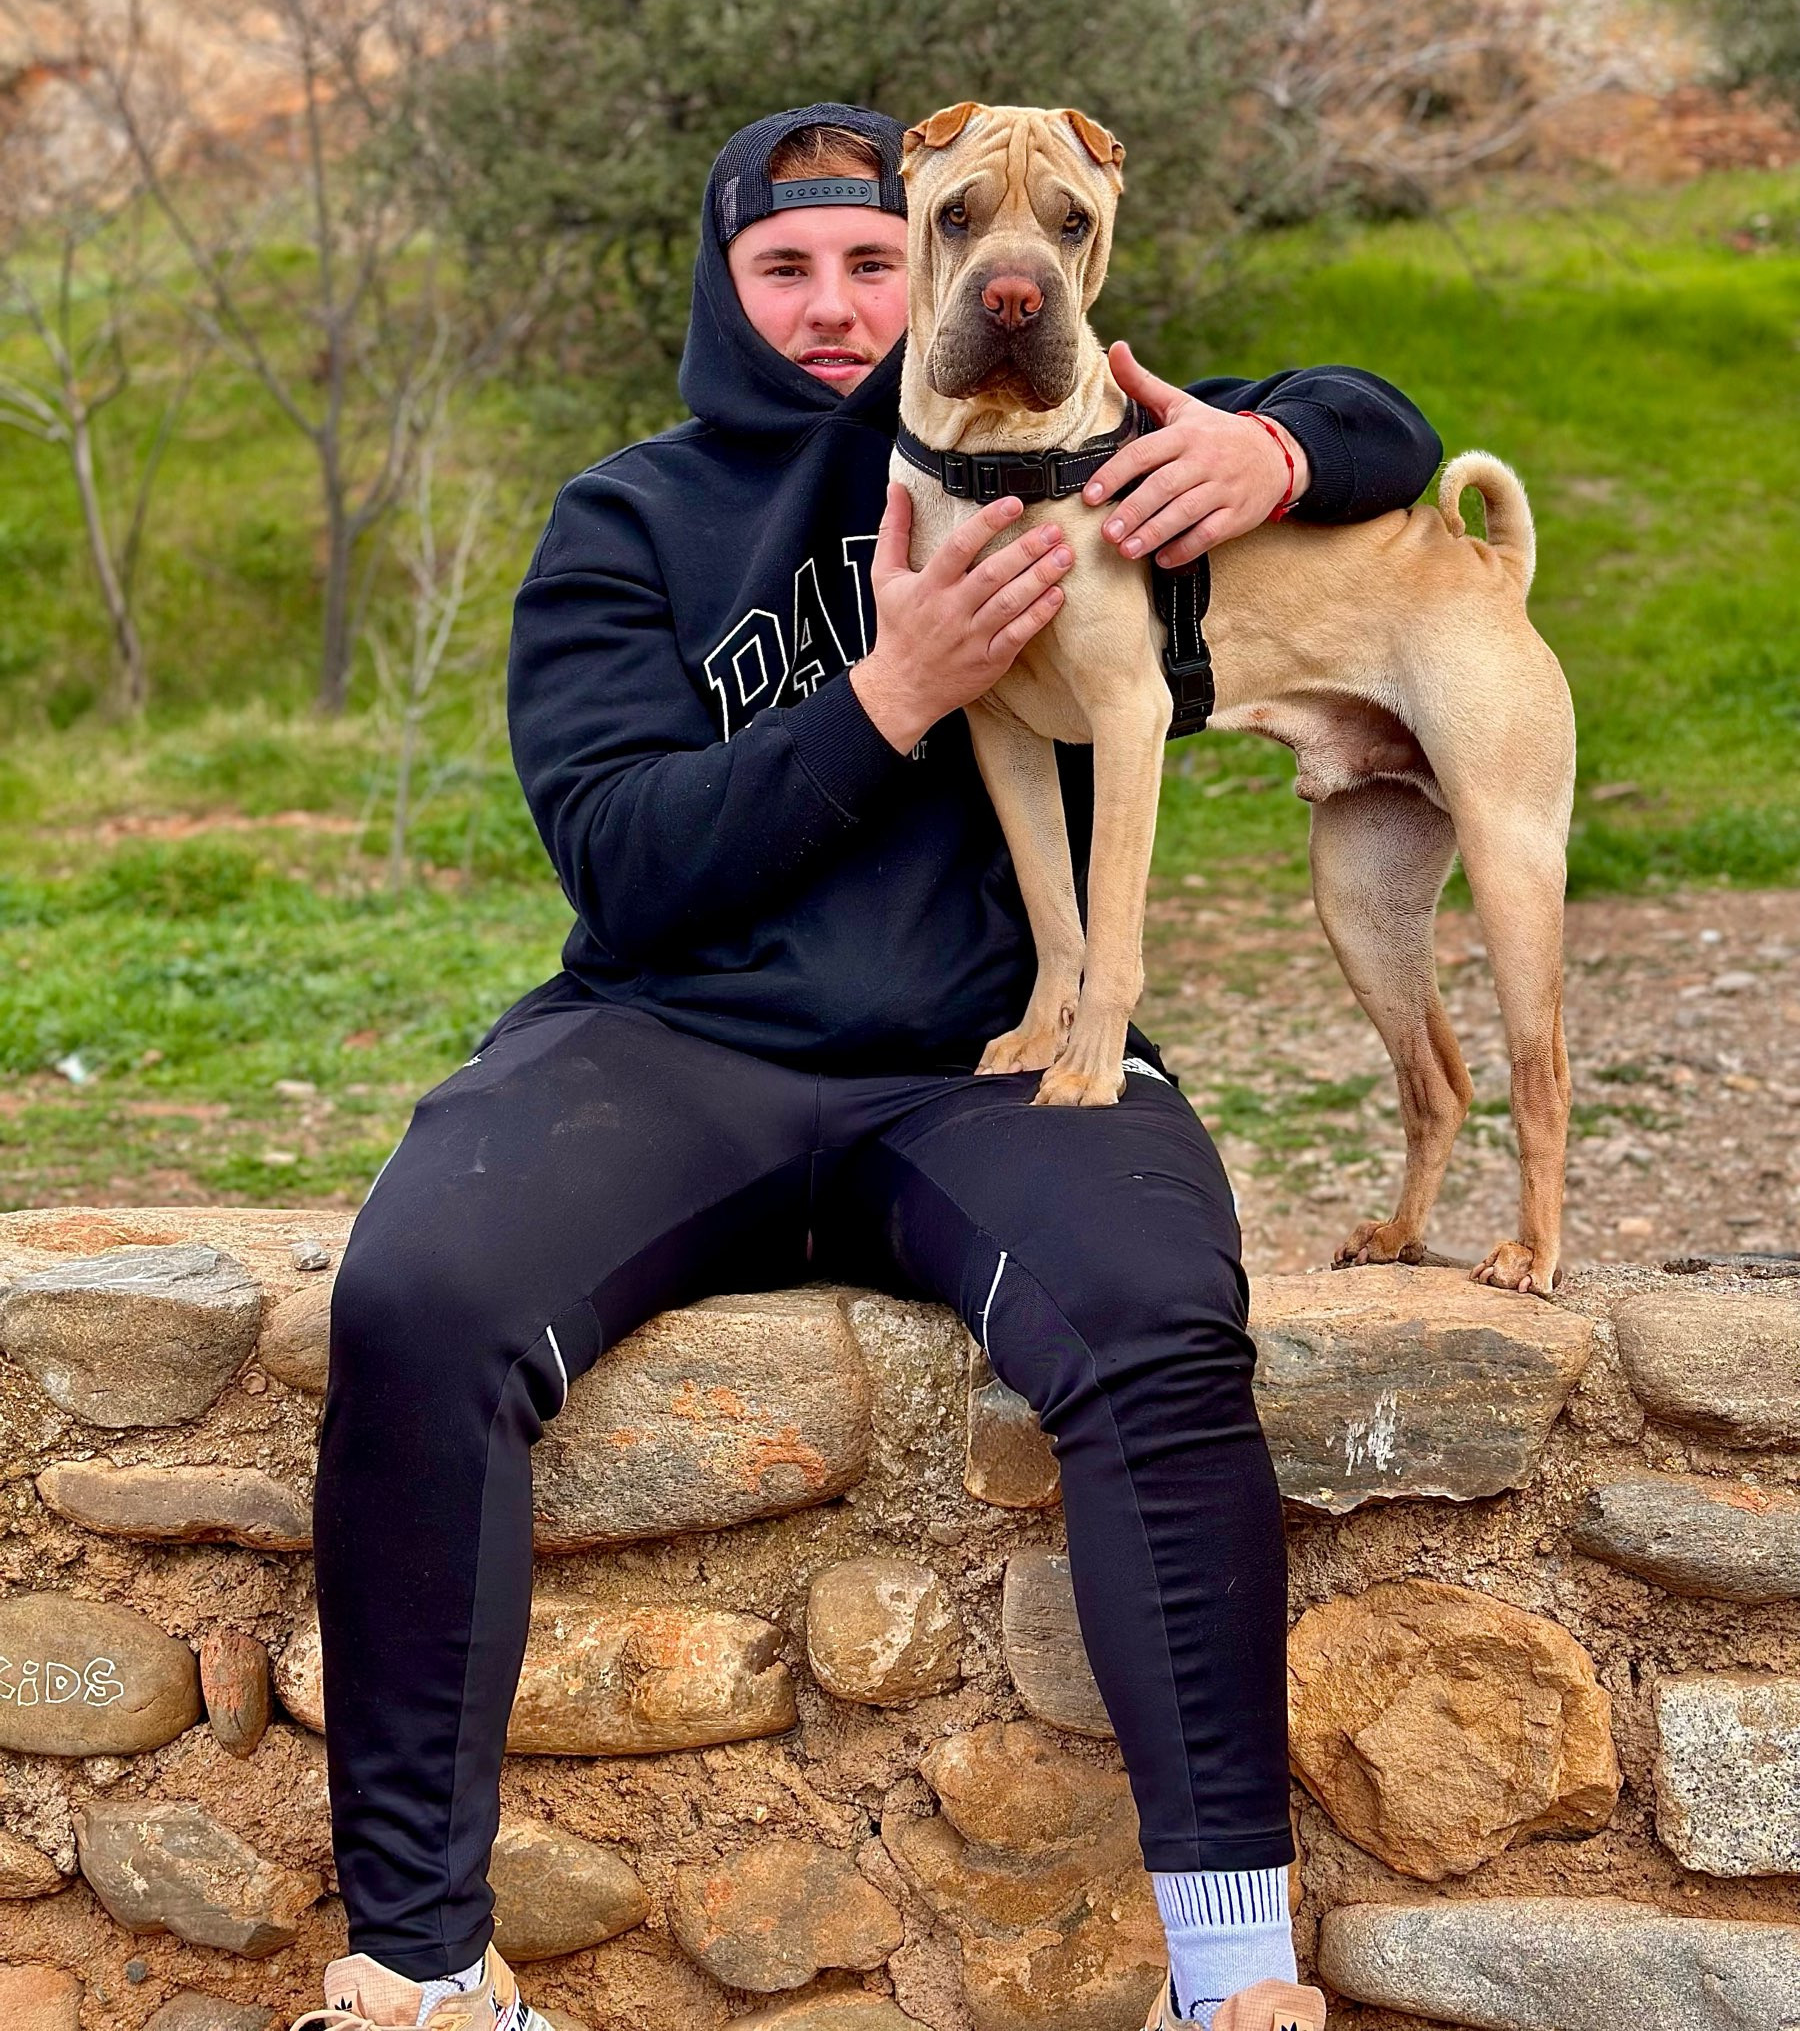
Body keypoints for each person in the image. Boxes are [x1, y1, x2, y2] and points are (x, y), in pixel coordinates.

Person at [290, 103, 1442, 2031]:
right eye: (785, 267)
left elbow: (1382, 421)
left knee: (1161, 1318)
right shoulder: (626, 520)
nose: (837, 304)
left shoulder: (1055, 436)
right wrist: (891, 693)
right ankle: (418, 1974)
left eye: (866, 261)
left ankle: (1234, 1981)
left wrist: (1277, 450)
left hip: (990, 1062)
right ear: (721, 287)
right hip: (676, 1043)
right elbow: (626, 861)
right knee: (415, 1301)